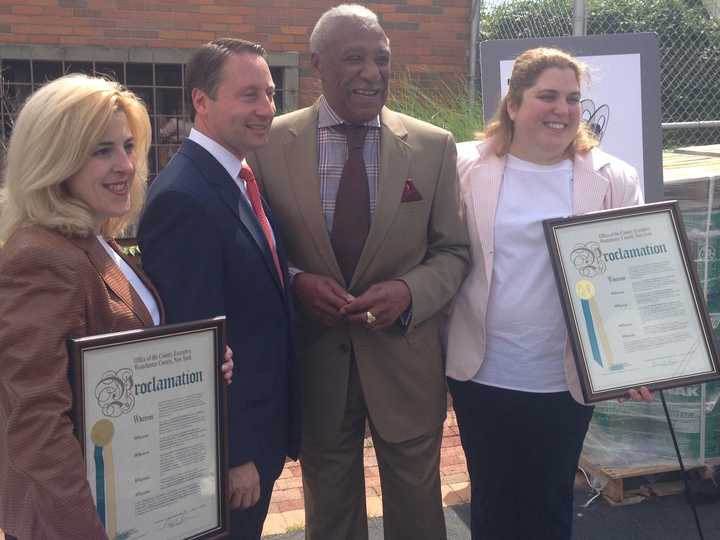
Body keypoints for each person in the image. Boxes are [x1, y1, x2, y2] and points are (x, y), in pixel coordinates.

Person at [248, 5, 470, 539]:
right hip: (318, 362)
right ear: (318, 63)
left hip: (405, 364)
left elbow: (454, 251)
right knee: (329, 513)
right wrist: (298, 282)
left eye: (382, 59)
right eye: (355, 58)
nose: (372, 72)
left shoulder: (433, 146)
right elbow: (261, 247)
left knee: (419, 514)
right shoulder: (269, 145)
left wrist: (408, 291)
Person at [0, 75, 233, 539]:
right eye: (101, 150)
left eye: (128, 146)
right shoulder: (41, 257)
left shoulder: (92, 239)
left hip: (131, 501)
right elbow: (36, 427)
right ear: (54, 159)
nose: (126, 165)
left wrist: (197, 366)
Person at [445, 47, 653, 540]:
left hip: (565, 378)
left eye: (573, 98)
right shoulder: (462, 167)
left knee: (550, 501)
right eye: (547, 96)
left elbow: (635, 274)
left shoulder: (613, 178)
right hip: (482, 373)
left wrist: (640, 360)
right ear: (513, 104)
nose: (562, 109)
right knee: (493, 500)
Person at [137, 38, 300, 540]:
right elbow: (195, 342)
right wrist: (235, 455)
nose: (267, 109)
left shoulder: (238, 174)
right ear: (200, 101)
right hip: (232, 453)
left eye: (271, 94)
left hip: (262, 426)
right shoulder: (184, 198)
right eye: (249, 95)